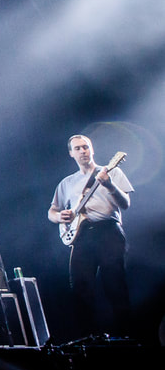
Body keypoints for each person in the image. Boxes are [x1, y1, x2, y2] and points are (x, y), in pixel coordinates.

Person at [48, 134, 133, 337]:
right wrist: (60, 216)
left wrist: (109, 185)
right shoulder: (67, 183)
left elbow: (125, 204)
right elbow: (52, 211)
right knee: (80, 287)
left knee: (114, 284)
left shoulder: (112, 171)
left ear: (92, 149)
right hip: (82, 237)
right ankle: (88, 338)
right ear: (71, 153)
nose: (82, 151)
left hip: (108, 231)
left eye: (85, 147)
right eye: (77, 148)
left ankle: (125, 336)